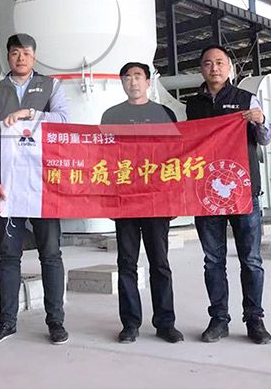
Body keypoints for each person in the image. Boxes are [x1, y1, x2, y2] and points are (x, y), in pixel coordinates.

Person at [0, 33, 71, 345]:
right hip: (8, 186)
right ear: (8, 56)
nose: (21, 58)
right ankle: (7, 322)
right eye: (15, 53)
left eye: (27, 53)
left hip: (44, 185)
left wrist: (29, 114)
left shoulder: (50, 86)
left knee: (51, 253)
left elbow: (64, 122)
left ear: (34, 57)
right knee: (7, 254)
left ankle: (55, 322)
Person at [185, 44, 271, 345]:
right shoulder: (192, 105)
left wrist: (259, 121)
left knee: (251, 259)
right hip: (207, 195)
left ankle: (255, 319)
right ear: (201, 69)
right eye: (208, 63)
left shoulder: (245, 100)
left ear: (230, 67)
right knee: (213, 260)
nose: (215, 68)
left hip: (244, 192)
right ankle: (219, 319)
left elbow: (265, 139)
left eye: (220, 62)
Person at [101, 62, 184, 345]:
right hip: (124, 201)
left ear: (148, 82)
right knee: (126, 263)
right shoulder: (111, 115)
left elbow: (176, 156)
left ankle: (165, 323)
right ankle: (130, 324)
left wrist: (172, 197)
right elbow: (105, 159)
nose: (133, 81)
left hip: (156, 201)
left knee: (160, 263)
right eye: (127, 77)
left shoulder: (164, 114)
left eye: (138, 76)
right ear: (121, 83)